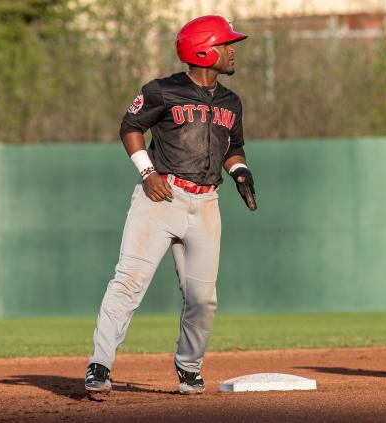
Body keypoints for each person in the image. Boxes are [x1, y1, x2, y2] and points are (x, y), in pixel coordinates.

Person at [84, 15, 256, 396]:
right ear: (203, 50)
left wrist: (240, 170)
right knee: (128, 282)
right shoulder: (162, 90)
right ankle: (99, 365)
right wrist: (147, 172)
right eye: (226, 44)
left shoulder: (231, 101)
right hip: (160, 198)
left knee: (203, 298)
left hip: (206, 202)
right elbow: (130, 126)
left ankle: (189, 367)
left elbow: (234, 145)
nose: (232, 51)